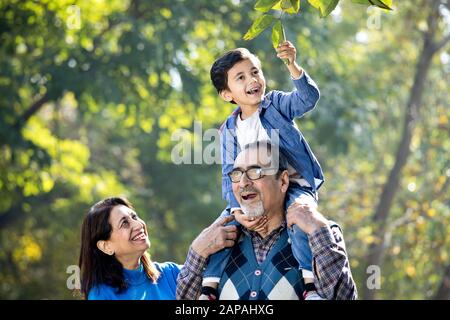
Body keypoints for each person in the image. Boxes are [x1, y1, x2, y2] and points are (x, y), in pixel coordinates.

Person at [201, 41, 324, 299]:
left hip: (294, 184)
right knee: (223, 227)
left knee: (300, 217)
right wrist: (236, 208)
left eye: (255, 72)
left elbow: (307, 99)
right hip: (252, 191)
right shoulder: (230, 130)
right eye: (241, 77)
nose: (252, 80)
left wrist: (292, 66)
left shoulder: (276, 104)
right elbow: (228, 172)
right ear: (227, 94)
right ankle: (209, 287)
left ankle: (310, 285)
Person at [177, 141, 357, 300]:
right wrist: (197, 251)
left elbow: (342, 297)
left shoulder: (320, 234)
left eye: (255, 171)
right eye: (237, 174)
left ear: (283, 181)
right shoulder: (216, 241)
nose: (243, 182)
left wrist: (318, 228)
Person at [78, 196, 238, 300]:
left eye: (134, 216)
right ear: (106, 246)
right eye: (124, 223)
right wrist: (196, 251)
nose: (138, 225)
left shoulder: (170, 274)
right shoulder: (101, 294)